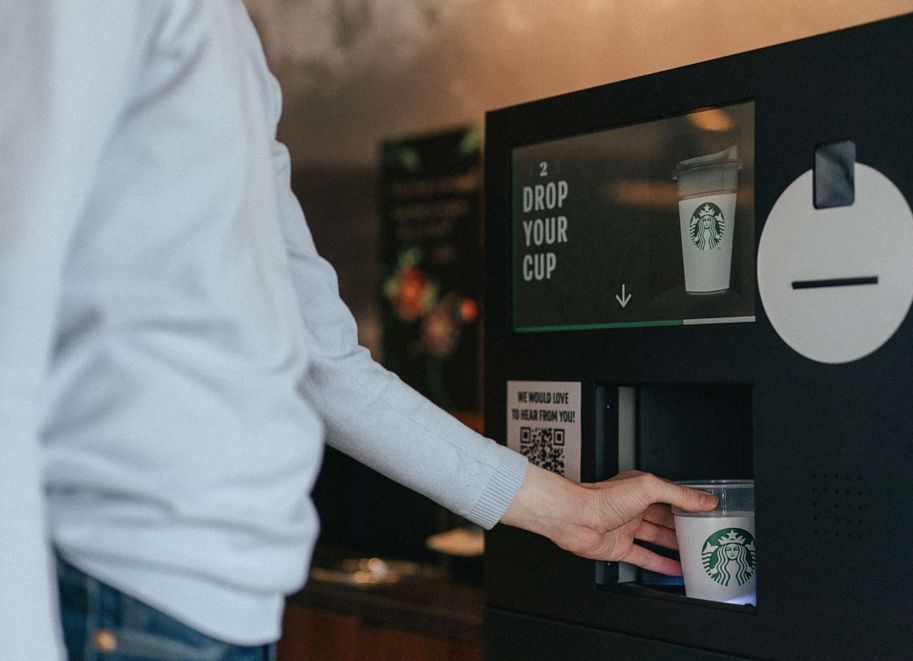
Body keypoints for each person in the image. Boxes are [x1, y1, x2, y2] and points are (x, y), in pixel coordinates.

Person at [0, 3, 717, 659]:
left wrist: (574, 513)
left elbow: (325, 363)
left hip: (220, 602)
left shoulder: (231, 39)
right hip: (115, 592)